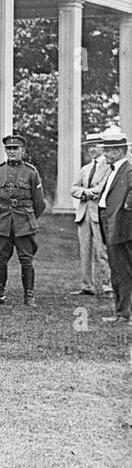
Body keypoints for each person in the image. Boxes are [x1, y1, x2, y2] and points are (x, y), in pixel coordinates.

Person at [0, 133, 46, 307]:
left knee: (26, 260)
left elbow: (39, 203)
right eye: (9, 148)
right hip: (2, 221)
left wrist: (28, 216)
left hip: (23, 222)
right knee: (0, 258)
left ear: (22, 150)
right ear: (5, 150)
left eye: (15, 148)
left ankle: (29, 295)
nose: (12, 152)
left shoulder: (31, 172)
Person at [96, 127, 132, 325]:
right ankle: (121, 313)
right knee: (117, 271)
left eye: (108, 150)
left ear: (119, 151)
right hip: (111, 226)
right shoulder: (114, 170)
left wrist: (125, 211)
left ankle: (124, 314)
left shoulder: (128, 170)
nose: (104, 154)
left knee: (123, 271)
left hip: (122, 229)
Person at [70, 132, 112, 297]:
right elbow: (73, 188)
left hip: (99, 213)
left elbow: (102, 188)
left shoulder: (109, 167)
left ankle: (108, 286)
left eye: (95, 146)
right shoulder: (85, 168)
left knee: (102, 251)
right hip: (83, 213)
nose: (92, 149)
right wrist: (87, 192)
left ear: (103, 147)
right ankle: (87, 286)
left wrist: (84, 192)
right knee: (85, 251)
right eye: (89, 146)